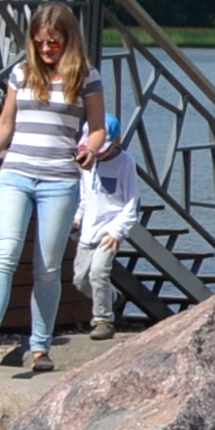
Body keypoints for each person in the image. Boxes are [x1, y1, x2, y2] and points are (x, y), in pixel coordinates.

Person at [0, 2, 108, 373]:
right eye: (40, 42)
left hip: (59, 179)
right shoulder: (21, 73)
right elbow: (5, 124)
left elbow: (97, 128)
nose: (46, 50)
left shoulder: (86, 77)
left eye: (54, 43)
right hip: (15, 174)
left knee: (45, 267)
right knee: (4, 255)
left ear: (68, 41)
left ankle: (40, 346)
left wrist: (90, 150)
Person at [73, 128, 142, 339]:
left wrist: (117, 231)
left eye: (103, 149)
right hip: (89, 229)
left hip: (111, 228)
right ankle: (112, 297)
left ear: (117, 141)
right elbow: (85, 195)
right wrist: (77, 217)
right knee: (80, 280)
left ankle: (103, 320)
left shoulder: (125, 163)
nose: (99, 153)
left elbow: (132, 203)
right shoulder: (87, 162)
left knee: (98, 273)